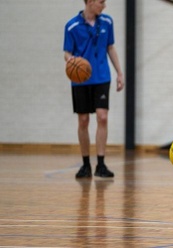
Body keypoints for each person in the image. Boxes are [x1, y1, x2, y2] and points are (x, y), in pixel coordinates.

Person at [64, 0, 124, 178]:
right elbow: (67, 52)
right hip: (81, 79)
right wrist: (72, 62)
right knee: (83, 120)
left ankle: (101, 164)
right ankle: (85, 165)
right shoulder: (71, 25)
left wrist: (120, 73)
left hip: (102, 76)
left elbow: (110, 47)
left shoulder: (107, 22)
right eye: (101, 2)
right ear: (89, 1)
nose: (104, 5)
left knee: (102, 117)